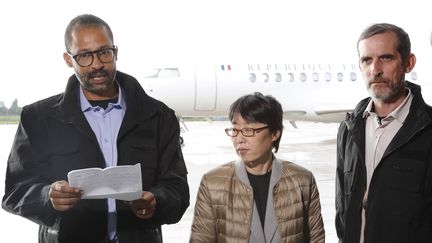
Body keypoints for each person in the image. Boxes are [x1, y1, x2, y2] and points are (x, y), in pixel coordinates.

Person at [2, 14, 189, 243]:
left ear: (116, 52)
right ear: (68, 59)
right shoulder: (38, 119)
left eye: (104, 52)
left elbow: (178, 190)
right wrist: (46, 197)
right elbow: (14, 192)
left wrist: (156, 200)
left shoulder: (158, 116)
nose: (97, 64)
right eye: (84, 56)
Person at [336, 23, 432, 243]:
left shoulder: (428, 129)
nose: (375, 70)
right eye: (366, 60)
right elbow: (342, 209)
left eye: (386, 58)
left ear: (409, 63)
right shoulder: (348, 130)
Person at [190, 92, 325, 243]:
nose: (239, 139)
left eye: (248, 130)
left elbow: (316, 239)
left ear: (274, 133)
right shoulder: (212, 183)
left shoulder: (303, 181)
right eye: (235, 130)